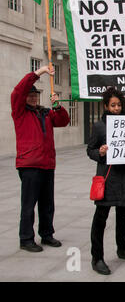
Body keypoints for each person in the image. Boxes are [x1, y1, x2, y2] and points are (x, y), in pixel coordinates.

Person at [87, 87, 125, 275]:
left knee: (123, 214)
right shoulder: (99, 126)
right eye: (113, 105)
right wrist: (100, 152)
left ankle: (122, 248)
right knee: (101, 217)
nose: (116, 108)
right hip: (108, 177)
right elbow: (90, 150)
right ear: (106, 106)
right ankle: (97, 257)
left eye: (119, 105)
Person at [11, 65, 70, 252]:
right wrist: (41, 71)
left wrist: (57, 106)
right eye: (30, 95)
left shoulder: (45, 113)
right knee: (29, 205)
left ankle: (46, 234)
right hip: (29, 165)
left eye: (35, 95)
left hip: (47, 164)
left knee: (47, 204)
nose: (33, 97)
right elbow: (18, 91)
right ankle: (26, 239)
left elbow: (62, 121)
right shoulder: (20, 112)